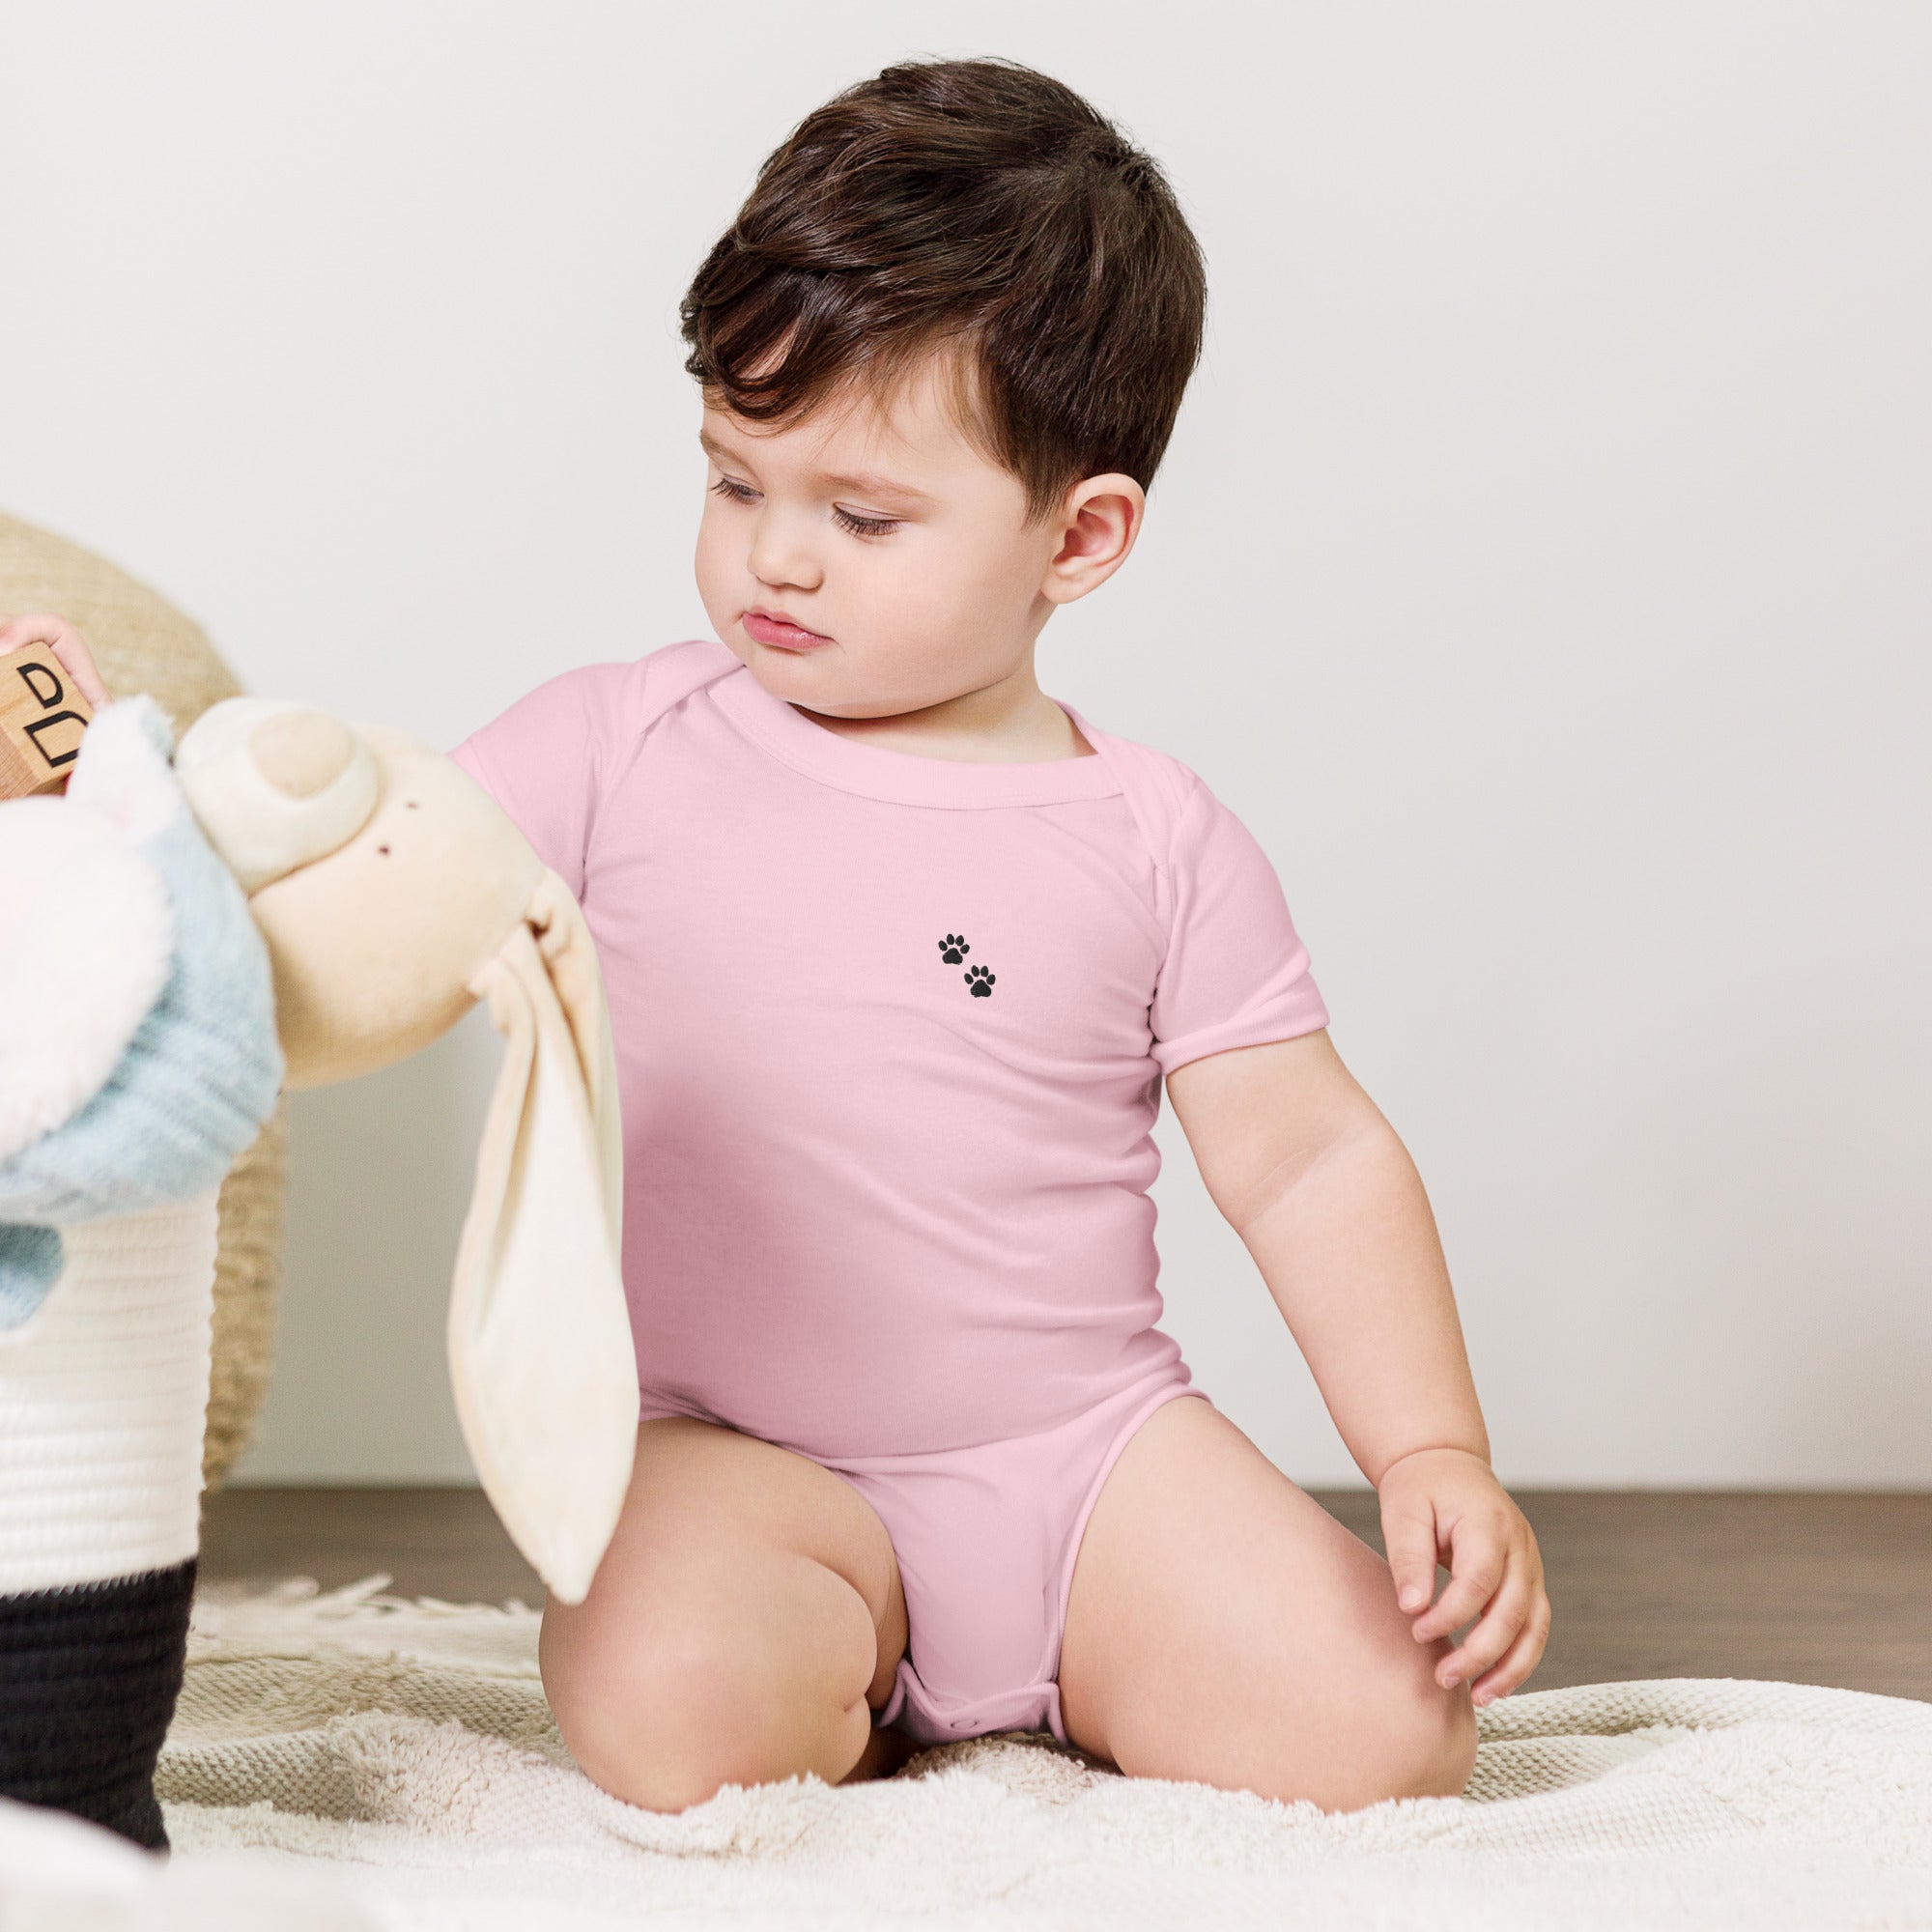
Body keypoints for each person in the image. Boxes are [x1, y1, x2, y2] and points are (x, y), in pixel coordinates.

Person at [4, 53, 1549, 1817]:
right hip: (736, 1457)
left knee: (1389, 1736)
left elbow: (1308, 1164)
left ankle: (1042, 1665)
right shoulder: (616, 746)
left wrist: (1428, 1449)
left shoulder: (1154, 837)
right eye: (738, 483)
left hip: (1082, 1458)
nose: (775, 562)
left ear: (1084, 534)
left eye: (863, 516)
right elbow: (374, 886)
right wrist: (124, 836)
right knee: (663, 1707)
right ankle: (846, 1666)